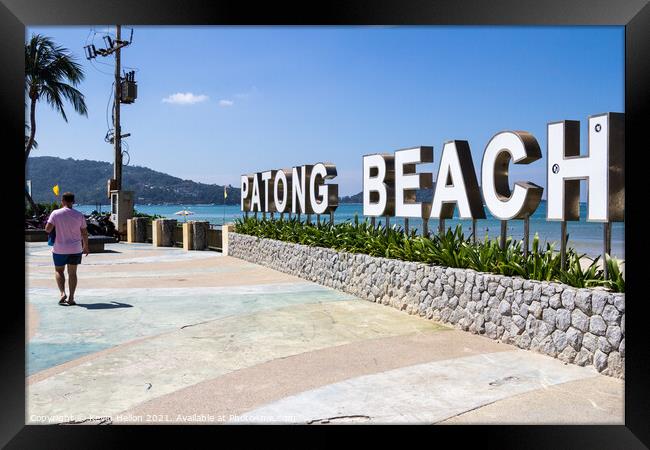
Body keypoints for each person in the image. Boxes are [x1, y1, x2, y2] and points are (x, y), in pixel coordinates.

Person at [44, 192, 89, 306]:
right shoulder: (79, 215)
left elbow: (47, 229)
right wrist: (86, 247)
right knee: (72, 273)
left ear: (62, 201)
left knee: (59, 271)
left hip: (59, 249)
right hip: (75, 249)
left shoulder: (55, 213)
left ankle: (62, 293)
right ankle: (71, 298)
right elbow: (84, 233)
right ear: (73, 202)